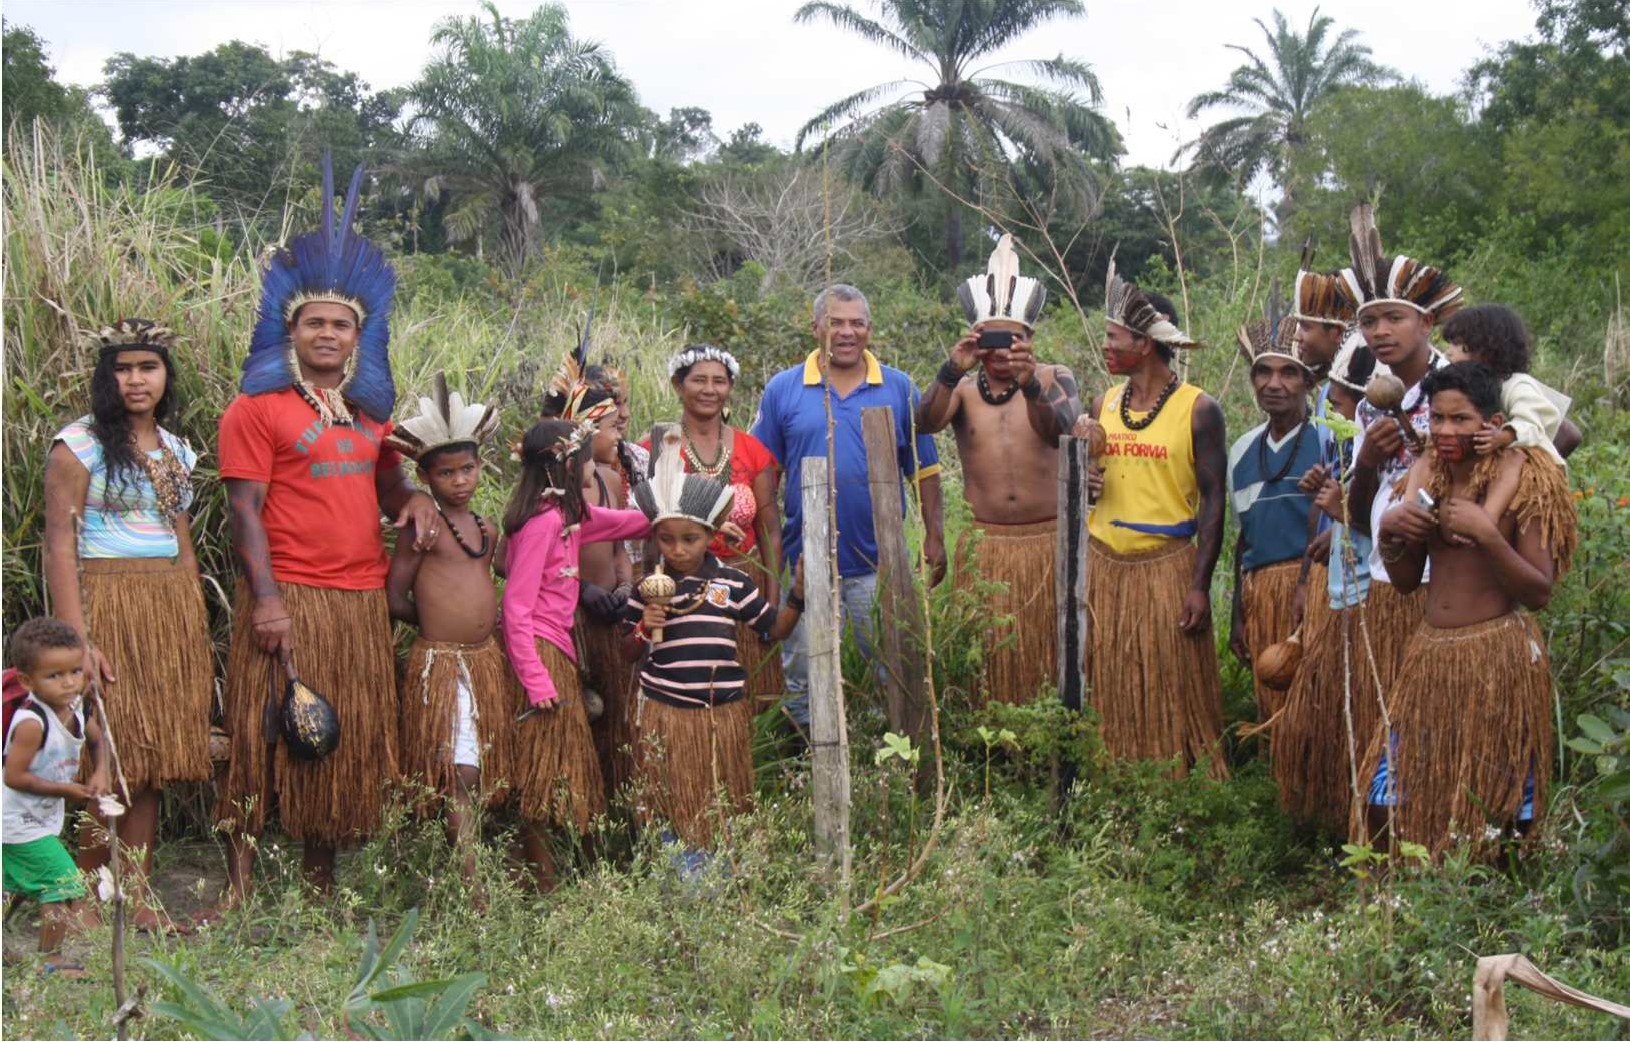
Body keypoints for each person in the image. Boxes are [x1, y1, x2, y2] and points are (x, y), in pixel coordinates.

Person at [213, 159, 438, 904]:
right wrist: (268, 603)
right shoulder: (257, 411)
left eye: (341, 324)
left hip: (357, 601)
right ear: (292, 329)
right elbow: (242, 510)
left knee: (336, 746)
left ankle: (318, 887)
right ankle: (241, 887)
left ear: (357, 335)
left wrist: (409, 501)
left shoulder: (371, 416)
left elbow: (386, 484)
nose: (328, 334)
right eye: (315, 322)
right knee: (260, 736)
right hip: (290, 598)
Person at [1356, 361, 1577, 857]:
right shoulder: (1425, 473)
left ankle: (1502, 907)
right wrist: (1392, 534)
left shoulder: (1526, 480)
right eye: (1437, 418)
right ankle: (1399, 893)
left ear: (1492, 426)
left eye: (1460, 420)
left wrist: (1486, 534)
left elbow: (1538, 591)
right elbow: (1409, 582)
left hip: (1499, 657)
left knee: (1506, 803)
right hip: (1431, 657)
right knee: (1385, 796)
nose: (1445, 431)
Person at [41, 319, 212, 930]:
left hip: (167, 606)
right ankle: (83, 897)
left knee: (155, 756)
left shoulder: (175, 451)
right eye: (123, 368)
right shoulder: (78, 444)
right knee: (111, 752)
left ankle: (134, 899)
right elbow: (59, 545)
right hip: (107, 601)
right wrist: (76, 640)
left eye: (148, 367)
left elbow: (181, 540)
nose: (136, 380)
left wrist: (190, 620)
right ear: (105, 377)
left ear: (166, 376)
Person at [750, 284, 945, 735]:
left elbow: (925, 470)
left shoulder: (898, 387)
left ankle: (886, 750)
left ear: (870, 329)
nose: (846, 332)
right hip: (807, 562)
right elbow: (764, 478)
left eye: (857, 323)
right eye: (836, 322)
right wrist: (769, 558)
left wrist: (935, 536)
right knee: (803, 665)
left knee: (889, 661)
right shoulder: (784, 389)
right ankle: (804, 747)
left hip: (879, 561)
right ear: (816, 327)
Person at [1071, 260, 1228, 777]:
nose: (1107, 346)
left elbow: (1213, 500)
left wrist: (1200, 585)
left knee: (1168, 678)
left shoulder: (1198, 408)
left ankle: (1178, 775)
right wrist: (1088, 480)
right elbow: (1099, 476)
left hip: (1166, 567)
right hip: (1107, 567)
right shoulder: (1105, 405)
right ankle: (1115, 770)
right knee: (1114, 674)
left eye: (1115, 337)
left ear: (1146, 341)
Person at [623, 431, 806, 861]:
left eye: (690, 539)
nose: (678, 549)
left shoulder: (731, 583)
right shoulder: (648, 588)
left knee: (718, 798)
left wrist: (797, 597)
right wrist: (641, 629)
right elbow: (627, 654)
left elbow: (772, 629)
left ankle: (718, 876)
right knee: (671, 798)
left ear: (709, 535)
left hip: (720, 715)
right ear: (655, 538)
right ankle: (675, 873)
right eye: (667, 540)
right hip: (665, 713)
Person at [917, 235, 1079, 706]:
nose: (1003, 350)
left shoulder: (1053, 377)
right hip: (987, 547)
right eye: (992, 339)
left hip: (1049, 541)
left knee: (1053, 650)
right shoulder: (963, 390)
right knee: (988, 656)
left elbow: (1061, 434)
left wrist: (1030, 386)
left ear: (1031, 340)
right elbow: (924, 422)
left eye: (1015, 339)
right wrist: (952, 368)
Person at [500, 418, 653, 887]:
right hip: (542, 655)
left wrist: (645, 481)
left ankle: (552, 874)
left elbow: (639, 521)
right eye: (586, 464)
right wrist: (537, 680)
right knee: (545, 769)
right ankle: (542, 880)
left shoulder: (570, 519)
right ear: (567, 466)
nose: (592, 472)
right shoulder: (542, 525)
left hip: (557, 651)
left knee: (561, 765)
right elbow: (515, 608)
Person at [384, 373, 510, 884]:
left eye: (468, 469)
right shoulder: (424, 529)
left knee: (479, 772)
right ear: (427, 477)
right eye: (446, 473)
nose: (460, 480)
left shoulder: (484, 529)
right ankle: (471, 881)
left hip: (484, 662)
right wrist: (436, 628)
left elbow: (501, 580)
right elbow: (396, 597)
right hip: (442, 663)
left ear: (481, 468)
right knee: (460, 772)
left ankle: (471, 867)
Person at [1340, 203, 1463, 705]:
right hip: (1390, 580)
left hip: (1454, 583)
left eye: (1394, 317)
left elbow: (1556, 435)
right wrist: (1367, 461)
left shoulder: (1461, 385)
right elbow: (1357, 518)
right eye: (1369, 321)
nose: (1379, 332)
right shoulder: (1369, 403)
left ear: (1427, 320)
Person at [1274, 337, 1388, 828]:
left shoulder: (1391, 453)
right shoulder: (1349, 448)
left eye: (1338, 403)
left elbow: (1378, 528)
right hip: (1339, 599)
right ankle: (1334, 823)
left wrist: (1343, 509)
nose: (1331, 409)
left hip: (1370, 605)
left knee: (1368, 726)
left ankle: (1365, 824)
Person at [649, 345, 785, 713]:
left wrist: (770, 603)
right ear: (679, 385)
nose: (709, 389)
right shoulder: (658, 447)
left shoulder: (753, 451)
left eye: (719, 381)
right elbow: (648, 525)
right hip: (682, 592)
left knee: (753, 693)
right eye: (698, 380)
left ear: (729, 388)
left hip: (745, 587)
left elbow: (770, 530)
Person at [1227, 305, 1337, 721]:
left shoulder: (1328, 439)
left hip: (1315, 592)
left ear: (1310, 381)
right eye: (1263, 372)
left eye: (1288, 373)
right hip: (1261, 593)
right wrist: (1239, 613)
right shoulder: (1241, 450)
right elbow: (1244, 539)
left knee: (1318, 703)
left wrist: (1308, 587)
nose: (1274, 384)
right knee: (1272, 704)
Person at [541, 343, 642, 796]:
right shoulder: (547, 491)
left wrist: (624, 586)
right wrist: (579, 589)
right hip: (570, 619)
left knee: (617, 720)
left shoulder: (612, 479)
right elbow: (528, 559)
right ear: (580, 431)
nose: (618, 427)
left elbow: (620, 548)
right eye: (605, 423)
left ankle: (618, 808)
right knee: (582, 718)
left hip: (610, 617)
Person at [3, 619, 107, 977]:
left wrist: (100, 772)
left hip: (39, 818)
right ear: (27, 681)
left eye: (75, 671)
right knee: (63, 882)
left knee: (15, 885)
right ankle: (53, 960)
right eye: (54, 675)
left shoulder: (77, 708)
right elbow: (13, 776)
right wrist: (67, 790)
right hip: (14, 821)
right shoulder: (32, 723)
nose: (68, 682)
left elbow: (98, 740)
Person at [1440, 303, 1583, 466]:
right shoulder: (1471, 387)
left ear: (1487, 348)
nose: (1448, 352)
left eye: (1458, 344)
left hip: (1528, 476)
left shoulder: (1516, 385)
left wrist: (1504, 436)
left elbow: (1531, 425)